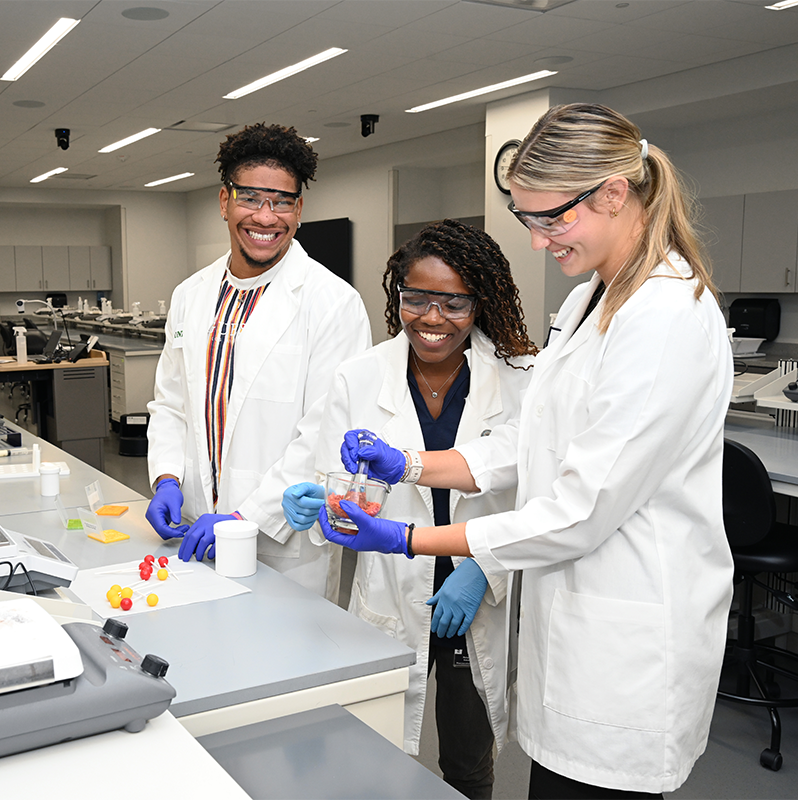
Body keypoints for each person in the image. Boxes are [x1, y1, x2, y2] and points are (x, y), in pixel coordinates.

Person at [322, 104, 734, 799]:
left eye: (552, 219)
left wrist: (411, 536)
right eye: (527, 221)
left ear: (612, 194)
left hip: (624, 649)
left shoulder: (663, 318)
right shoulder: (588, 304)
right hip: (571, 634)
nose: (539, 243)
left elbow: (581, 507)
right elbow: (534, 441)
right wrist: (414, 465)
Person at [283, 220, 537, 800]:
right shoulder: (360, 375)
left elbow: (540, 497)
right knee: (371, 749)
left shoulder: (523, 377)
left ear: (482, 302)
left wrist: (484, 568)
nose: (431, 318)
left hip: (475, 590)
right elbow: (336, 478)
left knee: (469, 760)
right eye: (416, 298)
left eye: (453, 302)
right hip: (392, 585)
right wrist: (322, 503)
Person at [145, 122, 372, 599]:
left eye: (282, 201)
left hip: (280, 540)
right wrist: (167, 477)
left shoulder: (332, 301)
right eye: (250, 198)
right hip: (191, 524)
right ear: (224, 201)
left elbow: (326, 431)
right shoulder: (190, 296)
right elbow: (170, 403)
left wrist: (243, 518)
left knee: (282, 663)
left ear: (299, 209)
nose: (266, 217)